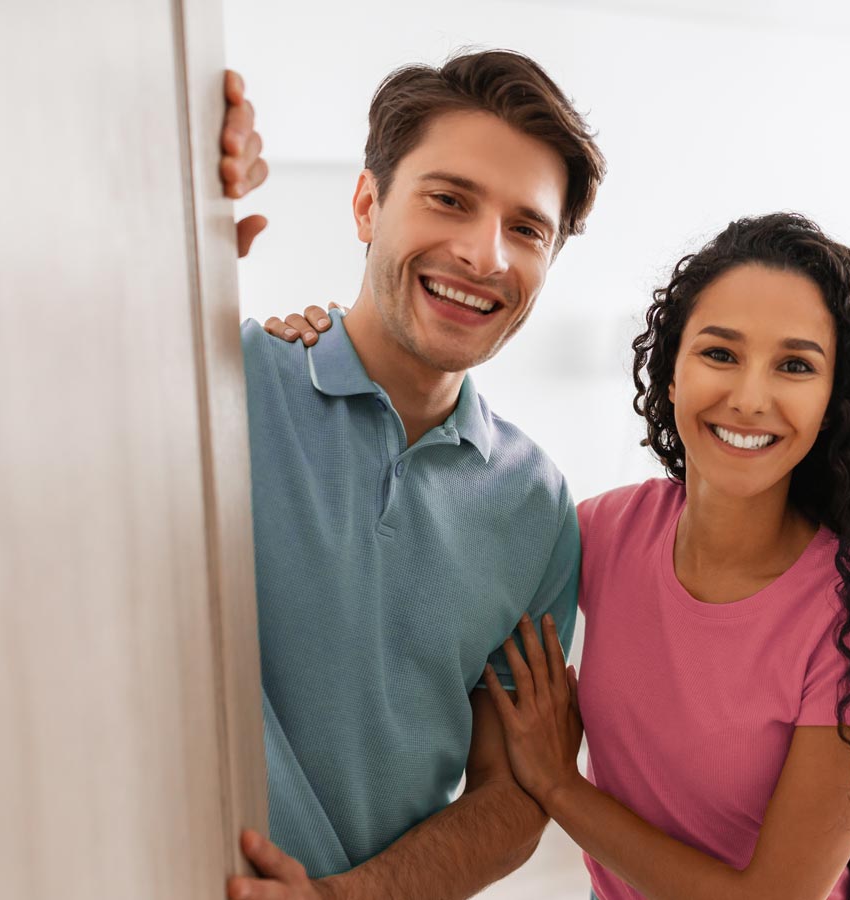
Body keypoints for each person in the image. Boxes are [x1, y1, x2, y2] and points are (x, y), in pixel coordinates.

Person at [269, 213, 850, 899]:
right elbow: (449, 551)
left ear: (835, 400)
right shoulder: (603, 534)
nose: (751, 397)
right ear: (670, 371)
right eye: (720, 352)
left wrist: (562, 789)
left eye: (795, 366)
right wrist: (314, 351)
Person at [226, 50, 608, 900]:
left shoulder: (537, 506)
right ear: (368, 204)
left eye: (527, 229)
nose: (484, 255)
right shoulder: (223, 386)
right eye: (449, 199)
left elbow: (514, 796)